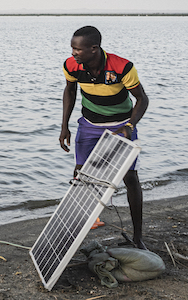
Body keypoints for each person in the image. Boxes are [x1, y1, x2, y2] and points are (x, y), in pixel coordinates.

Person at [59, 26, 150, 250]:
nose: (73, 53)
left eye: (78, 49)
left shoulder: (122, 66)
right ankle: (75, 231)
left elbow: (142, 99)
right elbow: (69, 91)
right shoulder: (71, 65)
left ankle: (138, 238)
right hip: (89, 125)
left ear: (94, 49)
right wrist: (64, 126)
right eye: (72, 48)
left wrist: (130, 125)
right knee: (81, 174)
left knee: (130, 177)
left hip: (121, 125)